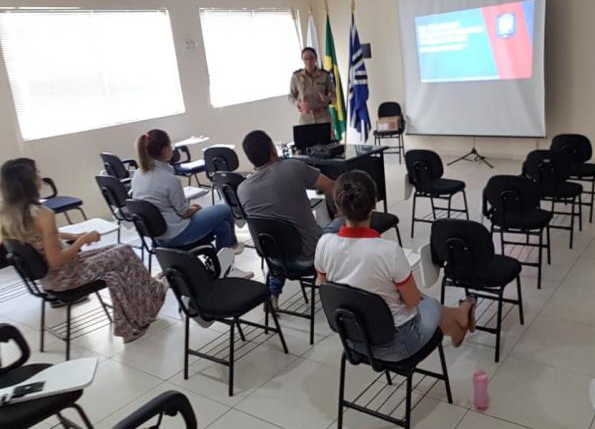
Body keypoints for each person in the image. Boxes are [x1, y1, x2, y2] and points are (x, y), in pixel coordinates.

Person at [0, 158, 165, 342]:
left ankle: (143, 304)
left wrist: (72, 236)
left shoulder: (6, 212)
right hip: (66, 275)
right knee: (124, 251)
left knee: (121, 252)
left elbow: (40, 237)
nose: (40, 175)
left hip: (49, 279)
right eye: (36, 172)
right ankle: (150, 298)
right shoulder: (43, 214)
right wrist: (83, 240)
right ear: (27, 181)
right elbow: (55, 259)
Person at [315, 170, 476, 359]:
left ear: (337, 205)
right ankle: (458, 319)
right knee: (427, 302)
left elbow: (326, 288)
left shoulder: (324, 243)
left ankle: (459, 316)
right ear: (374, 202)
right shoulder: (388, 251)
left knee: (408, 294)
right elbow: (412, 302)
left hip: (352, 341)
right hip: (398, 345)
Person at [238, 130, 343, 302]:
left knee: (276, 238)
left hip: (275, 260)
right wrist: (338, 213)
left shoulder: (242, 189)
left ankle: (273, 293)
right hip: (311, 257)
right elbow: (331, 186)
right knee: (343, 220)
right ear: (273, 149)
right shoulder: (292, 167)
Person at [130, 129, 251, 278]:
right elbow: (184, 212)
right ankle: (230, 252)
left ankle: (223, 267)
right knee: (225, 209)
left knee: (223, 226)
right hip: (176, 233)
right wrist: (194, 209)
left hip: (157, 236)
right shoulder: (169, 179)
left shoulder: (138, 174)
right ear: (164, 150)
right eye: (170, 145)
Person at [289, 47, 336, 125]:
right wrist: (299, 103)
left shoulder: (325, 75)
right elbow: (291, 97)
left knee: (327, 133)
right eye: (305, 59)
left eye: (311, 58)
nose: (308, 61)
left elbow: (334, 97)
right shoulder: (296, 77)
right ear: (302, 60)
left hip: (323, 117)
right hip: (305, 118)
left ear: (316, 59)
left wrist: (327, 99)